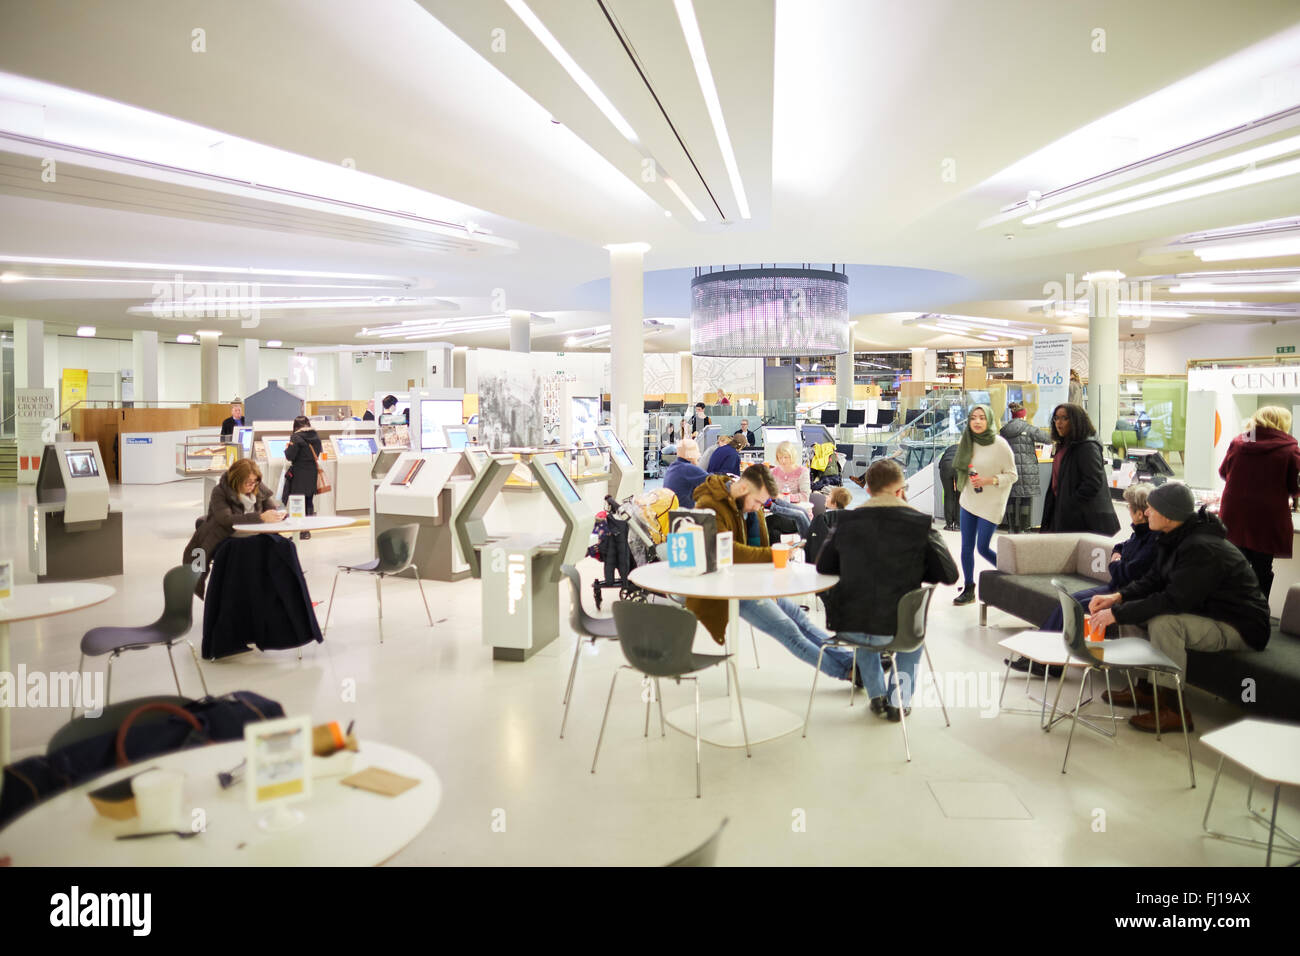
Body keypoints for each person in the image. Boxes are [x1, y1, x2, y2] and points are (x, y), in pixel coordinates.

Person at [1088, 482, 1270, 732]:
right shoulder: (1173, 537)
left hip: (1239, 625)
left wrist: (1115, 615)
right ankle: (1144, 690)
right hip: (1208, 613)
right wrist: (1117, 598)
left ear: (1168, 515)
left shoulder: (1202, 548)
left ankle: (1173, 710)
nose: (1146, 513)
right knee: (1132, 610)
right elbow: (1153, 580)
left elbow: (1173, 601)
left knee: (1165, 623)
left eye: (1151, 508)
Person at [686, 465, 860, 685]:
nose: (759, 508)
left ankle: (853, 663)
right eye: (758, 502)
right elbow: (728, 552)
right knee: (789, 631)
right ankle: (849, 672)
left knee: (800, 620)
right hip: (728, 586)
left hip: (751, 580)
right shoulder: (710, 506)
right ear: (743, 488)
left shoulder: (744, 504)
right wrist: (772, 555)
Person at [817, 459, 959, 719]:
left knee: (865, 621)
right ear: (900, 491)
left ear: (867, 490)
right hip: (898, 629)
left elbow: (824, 567)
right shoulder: (919, 524)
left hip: (851, 627)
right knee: (911, 634)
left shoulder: (845, 522)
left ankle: (876, 696)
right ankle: (898, 701)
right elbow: (949, 575)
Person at [1009, 483, 1160, 673]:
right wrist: (1118, 557)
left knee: (1077, 608)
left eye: (1129, 507)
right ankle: (1042, 658)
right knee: (1068, 603)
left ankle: (1046, 663)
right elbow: (1121, 547)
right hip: (1114, 588)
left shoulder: (1152, 540)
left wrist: (1115, 563)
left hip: (1124, 594)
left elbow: (1124, 572)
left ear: (1140, 513)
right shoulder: (1139, 533)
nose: (1128, 510)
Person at [1218, 405, 1300, 601]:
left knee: (1234, 567)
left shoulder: (1239, 442)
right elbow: (1295, 486)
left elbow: (1223, 473)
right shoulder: (1290, 449)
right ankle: (1258, 613)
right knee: (1262, 570)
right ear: (1282, 423)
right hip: (1267, 519)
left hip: (1234, 516)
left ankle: (1231, 613)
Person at [183, 458, 284, 598]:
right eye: (248, 482)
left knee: (285, 547)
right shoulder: (220, 491)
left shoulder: (257, 487)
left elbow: (270, 509)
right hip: (227, 536)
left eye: (255, 481)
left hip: (256, 535)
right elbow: (226, 520)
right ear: (236, 480)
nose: (252, 485)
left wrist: (278, 515)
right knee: (246, 553)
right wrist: (260, 517)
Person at [952, 404, 1017, 606]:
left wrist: (988, 480)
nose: (977, 422)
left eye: (981, 418)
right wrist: (960, 478)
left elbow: (1012, 475)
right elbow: (962, 465)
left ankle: (1012, 577)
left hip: (991, 502)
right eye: (973, 418)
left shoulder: (1000, 444)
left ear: (989, 420)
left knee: (982, 547)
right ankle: (969, 587)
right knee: (966, 547)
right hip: (969, 499)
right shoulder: (967, 440)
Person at [1039, 403, 1120, 536]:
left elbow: (1092, 483)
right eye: (1056, 418)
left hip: (1086, 519)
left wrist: (1070, 503)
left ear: (1076, 420)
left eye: (1064, 418)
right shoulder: (1064, 446)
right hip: (1065, 514)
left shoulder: (1087, 447)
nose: (1059, 422)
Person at [999, 402, 1052, 533]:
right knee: (1025, 498)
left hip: (1009, 469)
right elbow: (1048, 439)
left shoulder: (1004, 430)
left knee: (1010, 497)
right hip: (1027, 470)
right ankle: (1023, 528)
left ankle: (1011, 528)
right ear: (1023, 416)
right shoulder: (1029, 428)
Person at [284, 415, 323, 540]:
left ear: (295, 426)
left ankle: (298, 531)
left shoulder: (295, 437)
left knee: (298, 502)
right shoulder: (316, 436)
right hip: (311, 472)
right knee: (309, 501)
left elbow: (290, 456)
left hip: (299, 473)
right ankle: (306, 531)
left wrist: (287, 450)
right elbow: (318, 453)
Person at [805, 486, 852, 563]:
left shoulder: (822, 518)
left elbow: (811, 540)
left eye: (829, 496)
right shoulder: (852, 518)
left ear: (834, 503)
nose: (826, 497)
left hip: (822, 562)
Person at [662, 437, 708, 507]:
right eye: (696, 451)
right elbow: (713, 480)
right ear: (690, 454)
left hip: (672, 512)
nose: (699, 455)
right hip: (683, 514)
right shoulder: (688, 469)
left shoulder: (673, 467)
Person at [936, 442, 960, 532]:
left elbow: (939, 464)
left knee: (948, 495)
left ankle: (949, 524)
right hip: (959, 467)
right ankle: (958, 525)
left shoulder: (948, 449)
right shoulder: (966, 449)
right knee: (959, 495)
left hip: (946, 466)